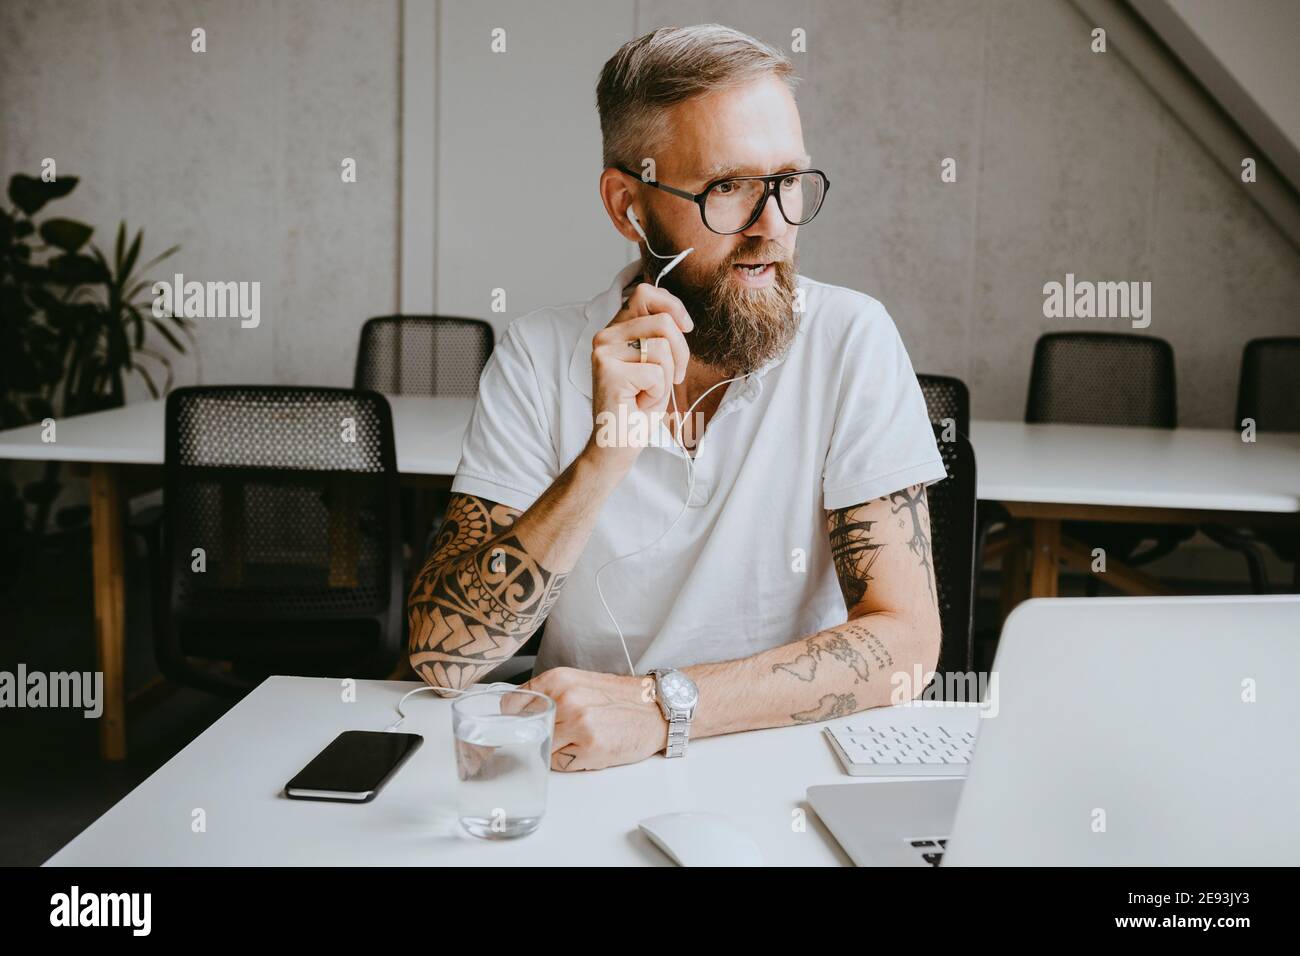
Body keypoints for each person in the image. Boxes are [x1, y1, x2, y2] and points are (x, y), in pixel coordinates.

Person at [409, 24, 947, 771]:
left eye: (788, 181)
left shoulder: (850, 338)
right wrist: (602, 458)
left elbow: (908, 647)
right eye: (727, 188)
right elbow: (444, 662)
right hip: (585, 767)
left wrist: (658, 709)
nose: (773, 226)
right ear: (629, 206)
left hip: (787, 765)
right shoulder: (538, 356)